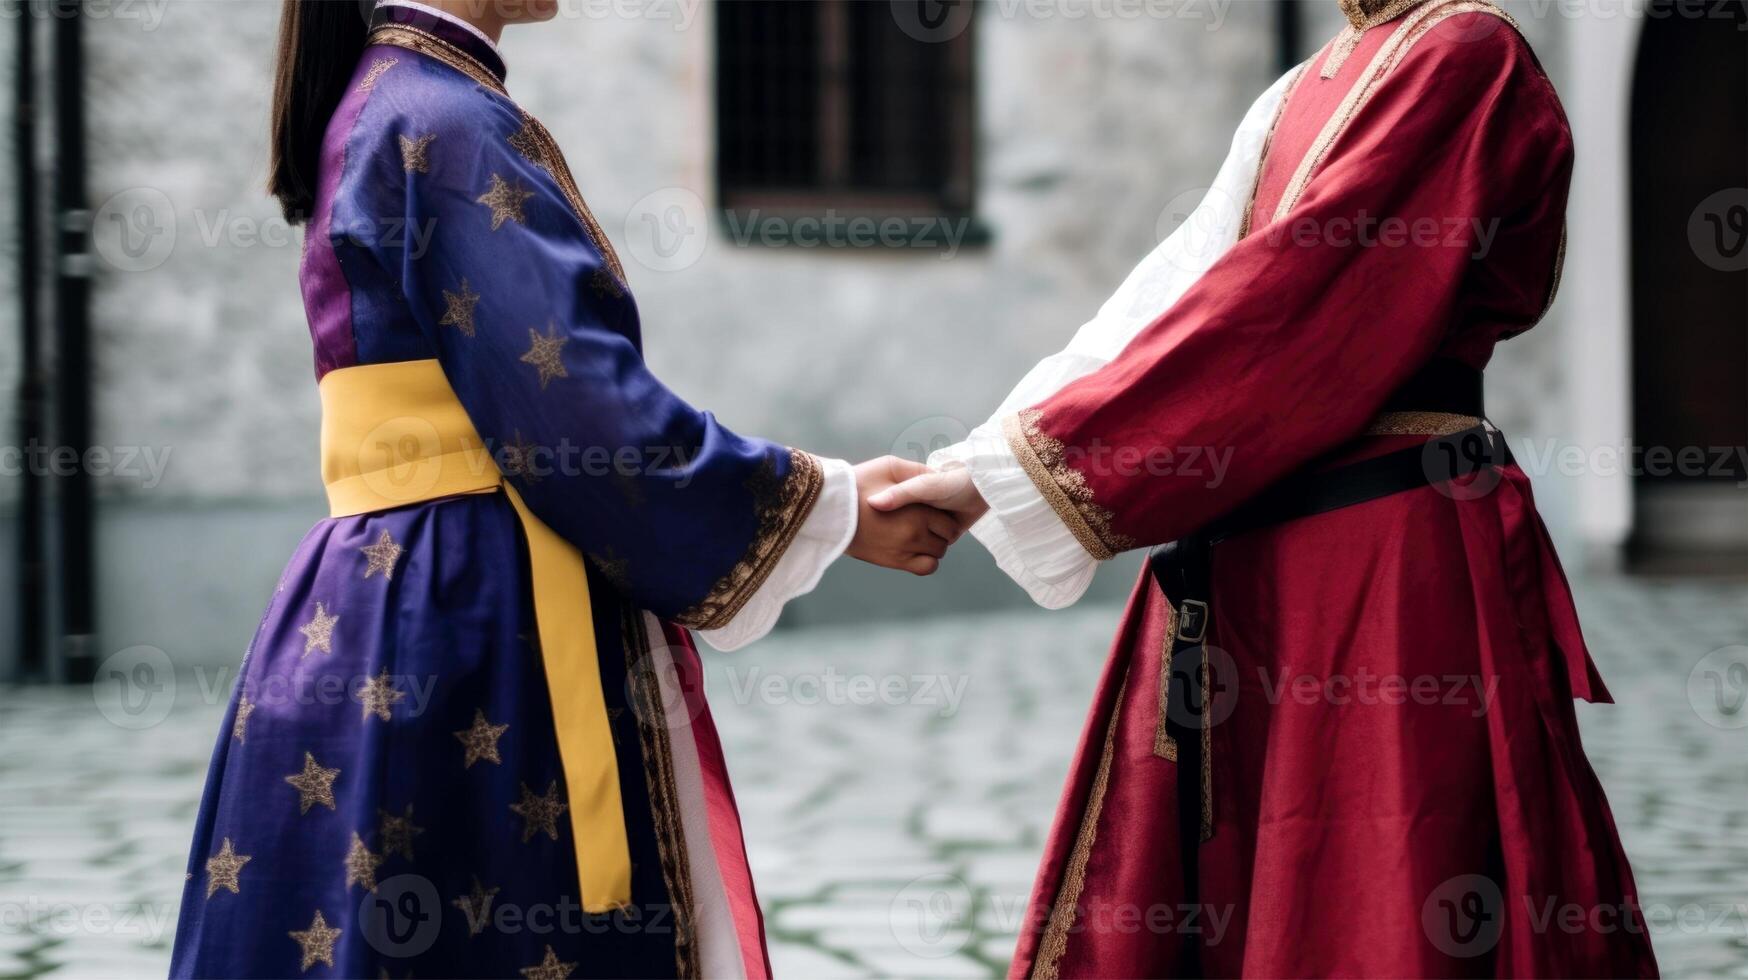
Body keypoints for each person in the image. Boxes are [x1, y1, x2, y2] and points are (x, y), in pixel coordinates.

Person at [168, 1, 957, 976]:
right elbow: (582, 416)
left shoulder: (387, 101)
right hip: (480, 614)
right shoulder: (444, 120)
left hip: (382, 599)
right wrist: (832, 508)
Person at [872, 1, 1660, 975]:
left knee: (1378, 881)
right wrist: (983, 462)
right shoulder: (1296, 89)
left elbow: (1291, 299)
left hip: (1381, 562)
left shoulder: (1468, 54)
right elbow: (1176, 294)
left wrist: (1005, 471)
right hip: (1252, 552)